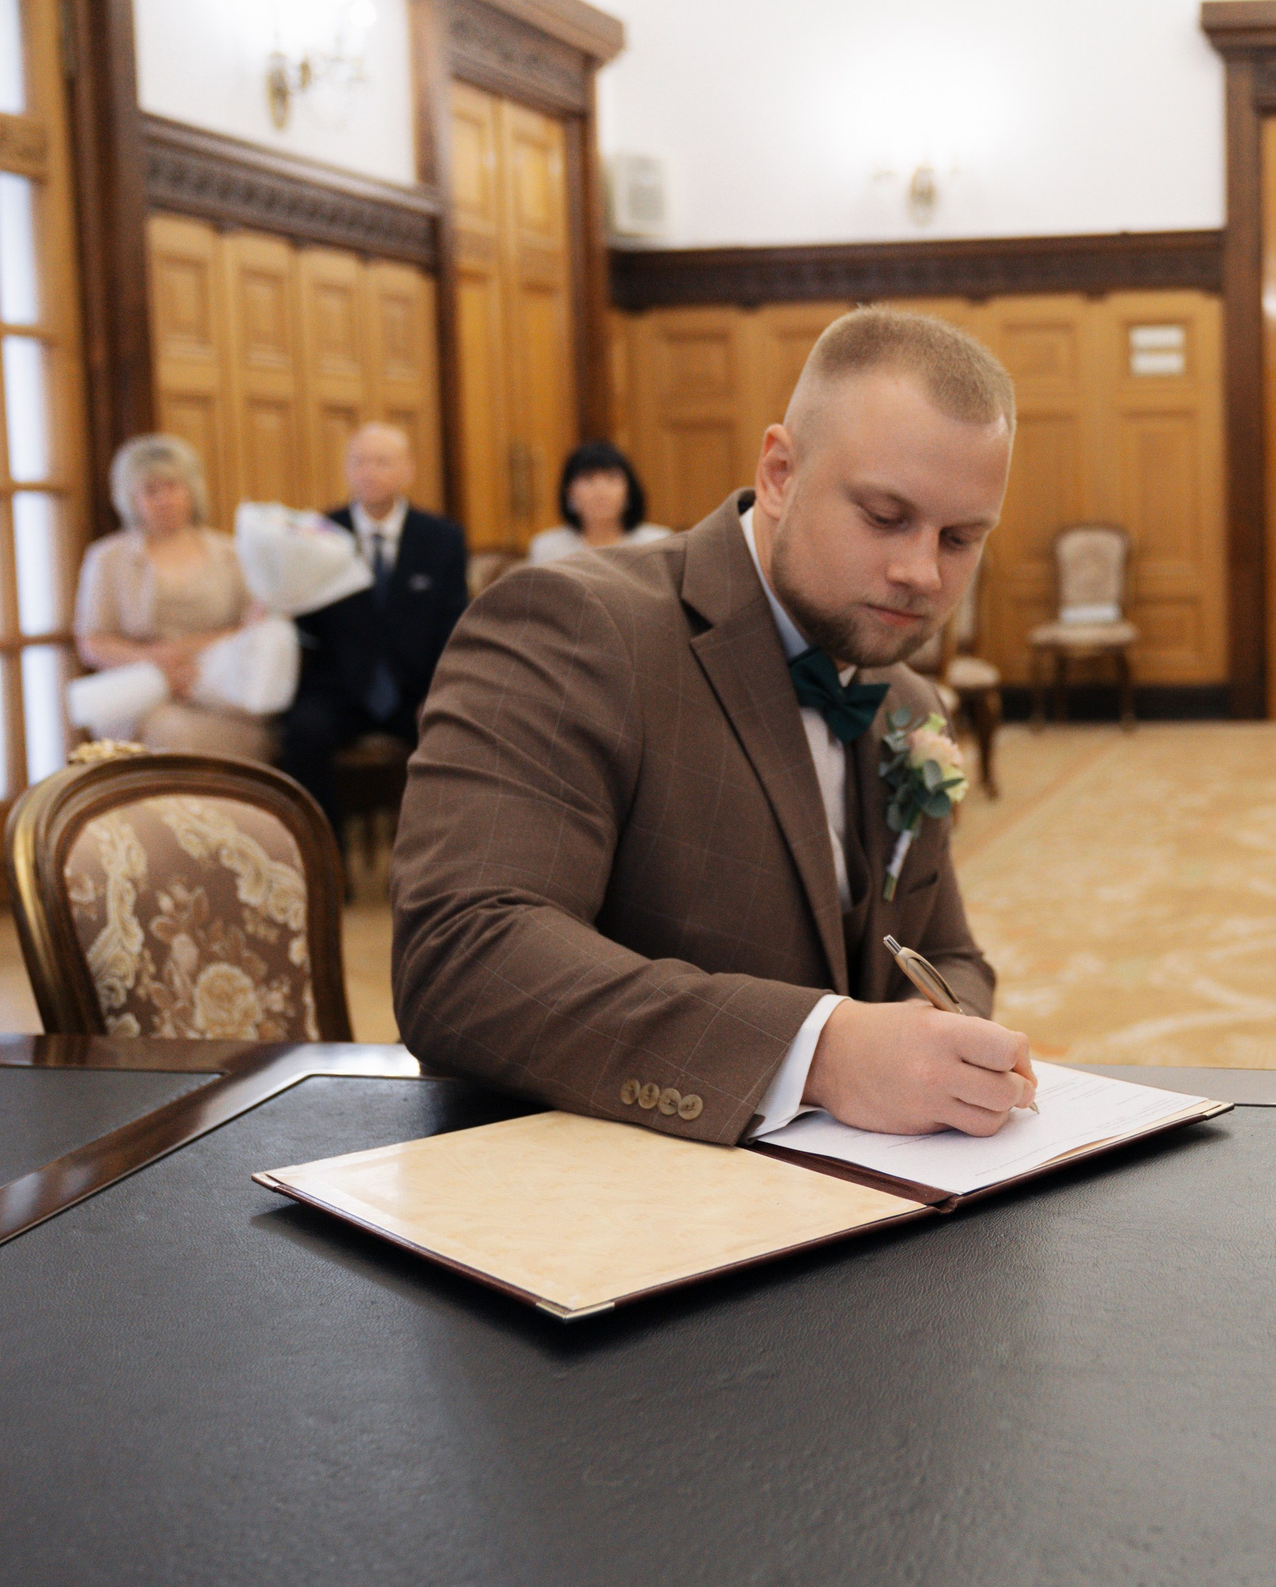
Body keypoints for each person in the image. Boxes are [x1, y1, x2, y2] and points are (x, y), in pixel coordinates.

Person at [391, 307, 1033, 1144]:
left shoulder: (907, 701)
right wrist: (827, 1054)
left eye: (960, 538)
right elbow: (461, 958)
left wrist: (944, 1040)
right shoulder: (575, 624)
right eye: (883, 516)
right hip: (595, 1209)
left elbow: (947, 955)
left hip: (855, 1213)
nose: (919, 571)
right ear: (778, 472)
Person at [279, 423, 468, 827]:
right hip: (341, 687)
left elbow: (454, 625)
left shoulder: (441, 537)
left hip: (414, 689)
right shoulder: (320, 533)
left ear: (408, 471)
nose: (369, 471)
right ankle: (327, 861)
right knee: (302, 734)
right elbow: (306, 623)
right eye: (359, 461)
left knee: (457, 735)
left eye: (383, 462)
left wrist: (437, 693)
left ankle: (439, 861)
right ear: (347, 470)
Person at [74, 434, 274, 761]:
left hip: (218, 688)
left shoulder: (231, 553)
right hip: (140, 693)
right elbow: (92, 642)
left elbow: (253, 626)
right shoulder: (108, 558)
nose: (164, 499)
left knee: (258, 734)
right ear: (131, 499)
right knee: (173, 733)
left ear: (191, 491)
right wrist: (157, 662)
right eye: (151, 491)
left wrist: (187, 656)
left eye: (173, 487)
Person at [526, 440, 673, 564]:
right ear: (569, 492)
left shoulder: (658, 544)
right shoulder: (548, 548)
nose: (600, 491)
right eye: (588, 479)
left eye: (611, 478)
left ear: (629, 490)